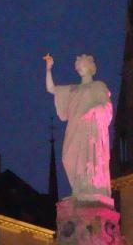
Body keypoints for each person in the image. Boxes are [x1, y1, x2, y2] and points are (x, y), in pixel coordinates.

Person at [43, 53, 113, 202]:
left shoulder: (98, 86)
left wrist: (94, 111)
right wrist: (48, 69)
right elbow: (51, 89)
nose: (79, 68)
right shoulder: (73, 89)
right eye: (78, 66)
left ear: (89, 67)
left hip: (90, 129)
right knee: (68, 156)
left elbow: (106, 106)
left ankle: (90, 187)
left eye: (81, 65)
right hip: (75, 128)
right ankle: (79, 188)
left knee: (89, 158)